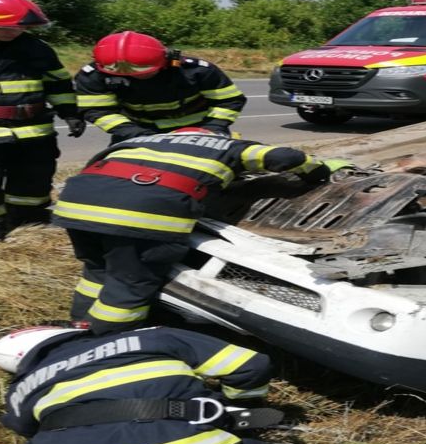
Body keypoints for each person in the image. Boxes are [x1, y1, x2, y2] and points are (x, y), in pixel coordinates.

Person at [52, 127, 354, 335]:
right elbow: (286, 159)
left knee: (97, 271)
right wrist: (318, 171)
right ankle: (106, 341)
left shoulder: (140, 141)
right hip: (140, 213)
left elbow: (94, 166)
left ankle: (80, 323)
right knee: (130, 282)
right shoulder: (229, 145)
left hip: (76, 207)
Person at [0, 324, 339, 444]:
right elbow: (249, 364)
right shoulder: (152, 338)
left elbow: (26, 429)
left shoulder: (21, 388)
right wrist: (245, 408)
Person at [0, 0, 85, 241]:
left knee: (33, 183)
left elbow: (57, 83)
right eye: (5, 26)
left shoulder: (37, 48)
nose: (13, 31)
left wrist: (70, 113)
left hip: (34, 132)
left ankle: (27, 224)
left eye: (20, 26)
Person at [74, 31, 247, 143]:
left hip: (200, 130)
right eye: (123, 74)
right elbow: (97, 111)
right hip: (136, 132)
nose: (135, 76)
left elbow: (229, 101)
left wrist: (213, 128)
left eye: (143, 71)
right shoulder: (95, 75)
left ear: (165, 60)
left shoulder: (195, 70)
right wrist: (135, 134)